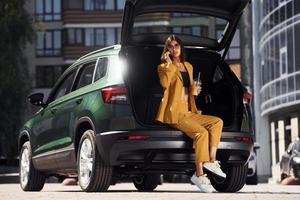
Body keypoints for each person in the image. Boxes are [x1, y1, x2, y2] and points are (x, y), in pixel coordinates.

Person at [155, 35, 226, 193]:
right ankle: (199, 175)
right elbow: (165, 84)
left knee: (217, 122)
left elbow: (188, 90)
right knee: (201, 133)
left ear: (181, 47)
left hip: (189, 111)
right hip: (175, 114)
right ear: (167, 50)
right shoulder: (163, 67)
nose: (175, 49)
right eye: (171, 46)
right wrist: (168, 64)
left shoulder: (188, 66)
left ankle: (212, 161)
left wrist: (193, 92)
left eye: (177, 45)